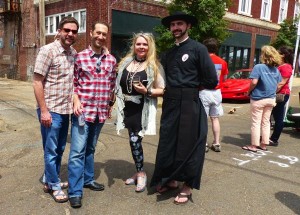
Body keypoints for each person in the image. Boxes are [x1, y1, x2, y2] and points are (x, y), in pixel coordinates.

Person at [150, 11, 218, 205]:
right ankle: (170, 178)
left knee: (190, 145)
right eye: (173, 25)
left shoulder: (198, 49)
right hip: (170, 103)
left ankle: (187, 185)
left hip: (190, 103)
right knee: (169, 143)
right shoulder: (168, 53)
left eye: (180, 24)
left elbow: (212, 80)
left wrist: (191, 90)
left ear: (188, 26)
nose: (176, 28)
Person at [68, 21, 117, 208]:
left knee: (90, 149)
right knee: (77, 152)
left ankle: (88, 179)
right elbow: (72, 82)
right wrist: (76, 99)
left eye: (104, 34)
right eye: (98, 33)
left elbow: (111, 85)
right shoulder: (79, 57)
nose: (101, 37)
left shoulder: (111, 60)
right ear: (91, 33)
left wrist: (110, 105)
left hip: (100, 113)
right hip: (83, 111)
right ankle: (75, 191)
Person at [33, 17, 79, 203]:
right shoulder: (47, 51)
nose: (70, 34)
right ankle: (53, 184)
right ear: (59, 31)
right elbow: (37, 82)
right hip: (50, 110)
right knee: (51, 149)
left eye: (74, 31)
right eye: (67, 30)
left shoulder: (73, 53)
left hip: (65, 109)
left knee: (59, 148)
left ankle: (50, 179)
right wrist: (44, 111)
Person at [115, 32, 165, 193]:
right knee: (133, 141)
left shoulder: (154, 66)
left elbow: (163, 90)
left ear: (149, 46)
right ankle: (138, 171)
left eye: (145, 44)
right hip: (127, 108)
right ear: (134, 46)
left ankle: (141, 173)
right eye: (138, 44)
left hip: (142, 109)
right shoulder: (125, 62)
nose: (141, 47)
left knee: (135, 140)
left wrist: (147, 90)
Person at [242, 45, 282, 152]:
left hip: (258, 98)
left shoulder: (258, 67)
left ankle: (254, 146)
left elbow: (254, 82)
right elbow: (278, 85)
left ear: (264, 55)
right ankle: (264, 144)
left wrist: (249, 91)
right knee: (266, 122)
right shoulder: (276, 70)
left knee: (256, 122)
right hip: (271, 99)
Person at [200, 38, 229, 153]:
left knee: (203, 119)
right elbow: (225, 78)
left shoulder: (202, 61)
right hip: (217, 93)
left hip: (204, 91)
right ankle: (216, 143)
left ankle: (204, 144)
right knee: (215, 118)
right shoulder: (222, 62)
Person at [269, 46, 293, 146]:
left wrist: (270, 93)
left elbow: (281, 83)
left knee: (278, 117)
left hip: (281, 94)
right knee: (270, 115)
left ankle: (274, 139)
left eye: (278, 53)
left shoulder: (286, 67)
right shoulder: (280, 65)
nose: (276, 54)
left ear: (283, 55)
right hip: (277, 93)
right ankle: (268, 136)